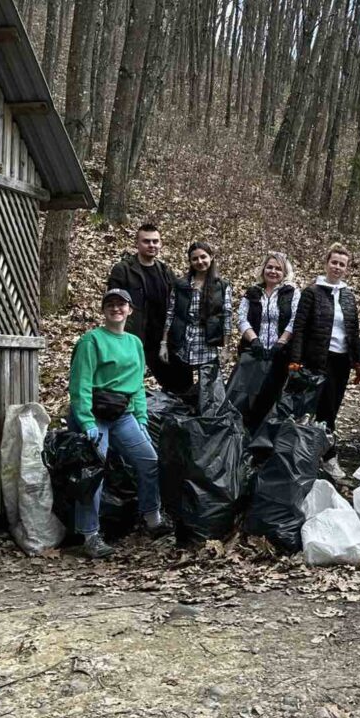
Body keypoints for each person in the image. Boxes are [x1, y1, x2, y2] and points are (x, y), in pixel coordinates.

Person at [68, 288, 174, 559]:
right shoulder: (91, 341)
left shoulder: (134, 343)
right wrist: (86, 422)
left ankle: (152, 519)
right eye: (111, 305)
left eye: (121, 305)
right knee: (92, 472)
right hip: (95, 414)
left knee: (149, 461)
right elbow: (80, 384)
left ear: (130, 310)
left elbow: (137, 385)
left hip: (123, 415)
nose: (116, 309)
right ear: (103, 310)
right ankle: (90, 535)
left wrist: (141, 418)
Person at [289, 243, 360, 481]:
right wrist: (295, 360)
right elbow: (300, 328)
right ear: (326, 263)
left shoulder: (348, 296)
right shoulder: (312, 292)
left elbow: (353, 331)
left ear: (347, 268)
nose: (337, 267)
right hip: (317, 359)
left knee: (331, 408)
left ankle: (324, 453)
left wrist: (358, 361)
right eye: (334, 262)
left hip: (341, 361)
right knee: (314, 409)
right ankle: (316, 456)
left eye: (342, 264)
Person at [107, 223, 191, 392]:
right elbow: (113, 305)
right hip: (136, 337)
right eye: (146, 241)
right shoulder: (123, 270)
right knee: (126, 384)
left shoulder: (165, 270)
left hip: (164, 339)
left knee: (182, 384)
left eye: (155, 241)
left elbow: (179, 302)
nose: (152, 245)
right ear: (137, 243)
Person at [237, 252, 301, 429]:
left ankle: (266, 433)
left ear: (285, 272)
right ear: (263, 269)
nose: (273, 271)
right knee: (249, 395)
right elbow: (242, 318)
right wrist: (253, 340)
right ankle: (246, 431)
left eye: (278, 269)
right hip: (254, 352)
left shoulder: (292, 293)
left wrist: (281, 342)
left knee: (272, 397)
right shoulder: (252, 292)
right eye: (270, 267)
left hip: (280, 353)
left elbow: (295, 320)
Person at [160, 242, 234, 384]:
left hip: (208, 343)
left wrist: (225, 348)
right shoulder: (181, 285)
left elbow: (227, 318)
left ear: (211, 257)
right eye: (195, 259)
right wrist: (164, 344)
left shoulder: (222, 286)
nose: (200, 262)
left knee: (208, 387)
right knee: (180, 385)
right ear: (190, 261)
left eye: (203, 257)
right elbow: (171, 314)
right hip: (182, 341)